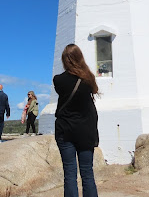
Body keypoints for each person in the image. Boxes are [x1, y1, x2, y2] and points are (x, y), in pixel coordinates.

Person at [54, 44, 99, 197]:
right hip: (86, 132)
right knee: (87, 173)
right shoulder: (89, 79)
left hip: (65, 131)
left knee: (70, 174)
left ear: (64, 60)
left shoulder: (58, 80)